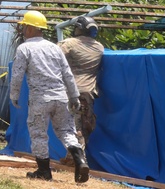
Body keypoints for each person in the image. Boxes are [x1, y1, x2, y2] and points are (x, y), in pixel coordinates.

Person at [9, 11, 89, 183]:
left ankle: (44, 171)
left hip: (40, 99)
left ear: (30, 28)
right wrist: (74, 96)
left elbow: (17, 75)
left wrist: (14, 95)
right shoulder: (54, 47)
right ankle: (80, 160)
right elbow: (67, 73)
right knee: (66, 131)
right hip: (61, 97)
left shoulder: (24, 48)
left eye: (24, 26)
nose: (22, 29)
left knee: (38, 133)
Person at [58, 16, 104, 152]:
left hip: (70, 91)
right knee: (85, 125)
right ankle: (72, 157)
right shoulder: (99, 47)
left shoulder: (68, 44)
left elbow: (53, 57)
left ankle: (79, 159)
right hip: (88, 92)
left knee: (73, 127)